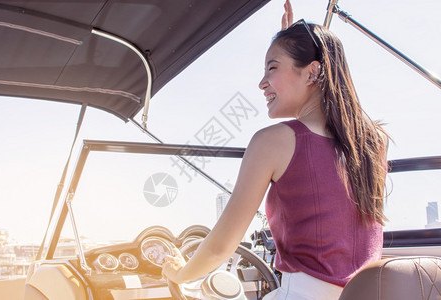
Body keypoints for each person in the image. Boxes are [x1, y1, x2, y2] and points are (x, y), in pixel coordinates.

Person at [162, 1, 389, 299]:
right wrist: (292, 52)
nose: (261, 83)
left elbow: (220, 247)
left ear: (312, 72)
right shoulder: (374, 143)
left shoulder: (271, 142)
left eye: (271, 68)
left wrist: (178, 272)